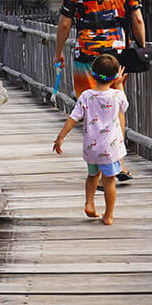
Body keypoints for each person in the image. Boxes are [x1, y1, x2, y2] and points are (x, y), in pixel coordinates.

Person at [54, 0, 146, 181]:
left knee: (90, 108)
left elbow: (65, 23)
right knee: (115, 104)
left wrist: (58, 51)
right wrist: (141, 46)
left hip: (87, 52)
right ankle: (120, 163)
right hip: (117, 52)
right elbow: (137, 18)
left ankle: (97, 167)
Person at [52, 53, 128, 225]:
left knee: (92, 175)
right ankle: (108, 215)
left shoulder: (86, 96)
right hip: (110, 148)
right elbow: (125, 106)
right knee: (108, 181)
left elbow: (73, 117)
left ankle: (89, 202)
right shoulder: (116, 96)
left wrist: (60, 137)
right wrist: (119, 85)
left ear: (93, 74)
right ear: (115, 76)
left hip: (91, 148)